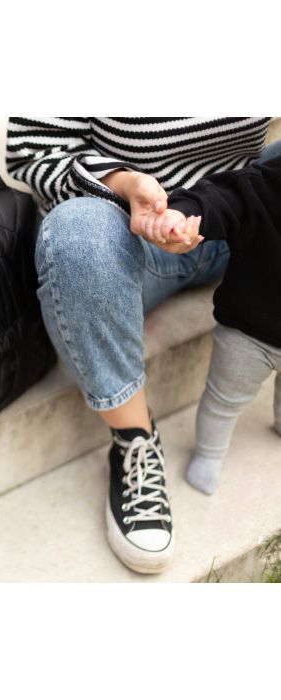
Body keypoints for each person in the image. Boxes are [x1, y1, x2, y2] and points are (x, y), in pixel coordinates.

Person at [5, 117, 278, 574]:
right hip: (132, 229)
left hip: (241, 212)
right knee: (78, 235)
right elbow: (34, 149)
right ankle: (134, 438)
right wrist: (123, 182)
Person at [137, 154, 281, 496]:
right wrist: (185, 212)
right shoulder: (271, 182)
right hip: (249, 332)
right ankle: (209, 453)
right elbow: (229, 195)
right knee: (224, 399)